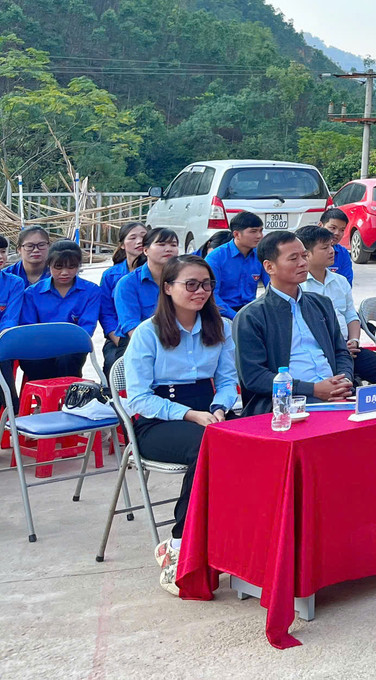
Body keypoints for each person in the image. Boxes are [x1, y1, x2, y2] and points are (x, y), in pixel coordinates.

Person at [122, 254, 238, 595]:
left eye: (206, 284)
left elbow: (229, 380)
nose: (200, 291)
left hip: (209, 412)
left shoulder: (221, 327)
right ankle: (178, 543)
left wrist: (219, 407)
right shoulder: (148, 333)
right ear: (168, 288)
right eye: (190, 284)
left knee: (256, 441)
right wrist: (189, 414)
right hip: (159, 420)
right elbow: (140, 399)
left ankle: (233, 538)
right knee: (207, 447)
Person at [233, 232, 355, 416]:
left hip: (335, 392)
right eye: (293, 258)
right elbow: (254, 376)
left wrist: (343, 380)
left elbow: (341, 351)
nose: (303, 263)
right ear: (269, 267)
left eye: (304, 256)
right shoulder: (251, 316)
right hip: (288, 400)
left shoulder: (321, 304)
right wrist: (312, 389)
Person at [298, 225, 376, 384]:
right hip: (320, 354)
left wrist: (354, 340)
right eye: (324, 248)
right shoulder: (299, 286)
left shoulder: (340, 281)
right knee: (347, 386)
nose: (332, 251)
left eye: (332, 246)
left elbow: (351, 315)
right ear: (306, 255)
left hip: (350, 350)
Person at [9, 241, 102, 380]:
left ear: (79, 266)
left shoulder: (91, 291)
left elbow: (86, 328)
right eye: (58, 267)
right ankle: (45, 400)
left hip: (72, 347)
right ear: (49, 265)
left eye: (72, 266)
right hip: (38, 349)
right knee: (36, 362)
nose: (64, 272)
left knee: (68, 360)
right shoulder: (32, 293)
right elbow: (28, 327)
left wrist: (67, 343)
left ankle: (69, 398)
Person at [113, 228, 182, 344]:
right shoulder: (127, 284)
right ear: (145, 250)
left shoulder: (184, 279)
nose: (168, 249)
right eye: (161, 244)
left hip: (179, 338)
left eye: (173, 245)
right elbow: (131, 325)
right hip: (137, 341)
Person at [97, 222, 147, 374]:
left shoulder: (160, 272)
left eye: (144, 237)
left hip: (153, 335)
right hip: (119, 337)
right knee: (115, 363)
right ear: (122, 245)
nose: (139, 241)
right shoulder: (111, 275)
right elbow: (106, 313)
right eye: (132, 238)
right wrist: (117, 339)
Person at [205, 212, 267, 319]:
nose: (259, 236)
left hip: (251, 310)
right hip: (222, 313)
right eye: (253, 231)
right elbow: (212, 296)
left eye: (261, 231)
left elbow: (272, 285)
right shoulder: (215, 258)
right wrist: (237, 317)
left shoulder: (261, 255)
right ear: (236, 234)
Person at [319, 207, 355, 284]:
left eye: (342, 230)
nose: (337, 233)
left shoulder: (343, 253)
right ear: (320, 225)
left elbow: (346, 284)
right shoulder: (308, 249)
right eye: (333, 228)